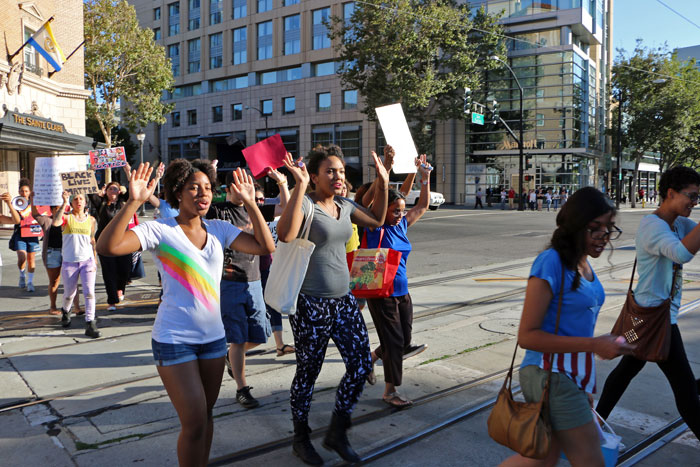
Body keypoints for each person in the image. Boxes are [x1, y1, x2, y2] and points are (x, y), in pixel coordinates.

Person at [96, 160, 274, 467]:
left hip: (215, 340)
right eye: (194, 187)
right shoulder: (160, 229)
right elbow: (107, 246)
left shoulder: (219, 228)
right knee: (193, 421)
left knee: (205, 416)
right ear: (177, 193)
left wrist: (250, 204)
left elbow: (264, 245)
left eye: (207, 188)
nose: (202, 193)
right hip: (174, 339)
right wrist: (133, 202)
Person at [499, 187, 633, 467]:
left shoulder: (583, 264)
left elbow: (575, 328)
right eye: (594, 228)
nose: (603, 237)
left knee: (541, 460)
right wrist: (595, 345)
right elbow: (527, 336)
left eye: (608, 228)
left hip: (569, 377)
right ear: (574, 225)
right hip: (551, 375)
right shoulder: (551, 262)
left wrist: (585, 384)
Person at [277, 147, 389, 465]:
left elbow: (377, 220)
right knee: (309, 372)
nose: (337, 176)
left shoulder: (344, 205)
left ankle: (337, 431)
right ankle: (301, 438)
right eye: (330, 171)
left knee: (360, 365)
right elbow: (284, 234)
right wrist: (297, 187)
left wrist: (383, 181)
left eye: (340, 171)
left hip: (344, 301)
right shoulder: (308, 204)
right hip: (310, 303)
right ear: (314, 176)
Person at [596, 166, 700, 440]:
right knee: (687, 393)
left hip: (651, 316)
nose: (695, 202)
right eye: (691, 195)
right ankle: (593, 424)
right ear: (670, 193)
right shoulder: (652, 225)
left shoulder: (678, 223)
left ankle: (594, 424)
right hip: (655, 319)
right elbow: (680, 253)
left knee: (625, 372)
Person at [364, 156, 432, 408]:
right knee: (394, 343)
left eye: (401, 210)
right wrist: (385, 173)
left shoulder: (401, 225)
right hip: (381, 294)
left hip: (402, 291)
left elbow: (422, 206)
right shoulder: (374, 227)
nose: (399, 214)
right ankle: (390, 391)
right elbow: (372, 204)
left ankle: (370, 357)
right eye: (395, 210)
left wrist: (424, 177)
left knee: (403, 341)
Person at [206, 169, 276, 409]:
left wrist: (284, 182)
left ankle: (230, 358)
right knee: (237, 338)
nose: (244, 190)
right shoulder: (217, 212)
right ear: (227, 189)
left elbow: (284, 210)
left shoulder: (253, 210)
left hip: (255, 280)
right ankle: (242, 388)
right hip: (229, 283)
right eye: (238, 185)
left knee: (260, 334)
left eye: (248, 185)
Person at [254, 175, 295, 357]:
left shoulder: (263, 211)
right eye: (255, 199)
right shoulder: (241, 213)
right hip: (244, 272)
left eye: (261, 199)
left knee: (274, 305)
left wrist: (283, 182)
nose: (259, 202)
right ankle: (231, 349)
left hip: (266, 266)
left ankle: (280, 345)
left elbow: (285, 206)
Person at [54, 192, 100, 337]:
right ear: (72, 202)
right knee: (69, 294)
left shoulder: (91, 220)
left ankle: (90, 323)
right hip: (70, 262)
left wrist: (95, 256)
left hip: (87, 261)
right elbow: (55, 222)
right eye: (75, 199)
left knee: (89, 293)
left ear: (85, 202)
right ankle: (66, 311)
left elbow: (92, 239)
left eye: (81, 199)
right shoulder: (67, 218)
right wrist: (64, 202)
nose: (78, 201)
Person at [32, 194, 82, 316]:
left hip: (68, 252)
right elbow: (35, 214)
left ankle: (76, 307)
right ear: (53, 210)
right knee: (54, 281)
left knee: (72, 281)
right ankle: (52, 306)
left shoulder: (69, 218)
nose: (62, 210)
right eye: (59, 208)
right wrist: (32, 200)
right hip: (52, 253)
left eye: (63, 208)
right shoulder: (47, 221)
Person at [89, 178, 133, 311]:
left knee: (125, 269)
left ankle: (120, 288)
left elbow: (134, 191)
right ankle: (112, 301)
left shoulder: (124, 203)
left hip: (123, 241)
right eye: (110, 188)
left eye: (115, 188)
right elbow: (90, 193)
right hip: (105, 242)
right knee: (109, 272)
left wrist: (127, 172)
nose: (112, 190)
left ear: (119, 191)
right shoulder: (101, 203)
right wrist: (96, 187)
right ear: (106, 191)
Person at [9, 179, 41, 291]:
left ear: (30, 192)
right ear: (19, 192)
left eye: (26, 191)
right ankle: (22, 275)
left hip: (32, 233)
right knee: (22, 258)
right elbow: (14, 218)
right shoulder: (16, 203)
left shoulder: (35, 203)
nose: (24, 193)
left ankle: (30, 282)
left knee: (31, 260)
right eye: (22, 191)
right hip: (20, 234)